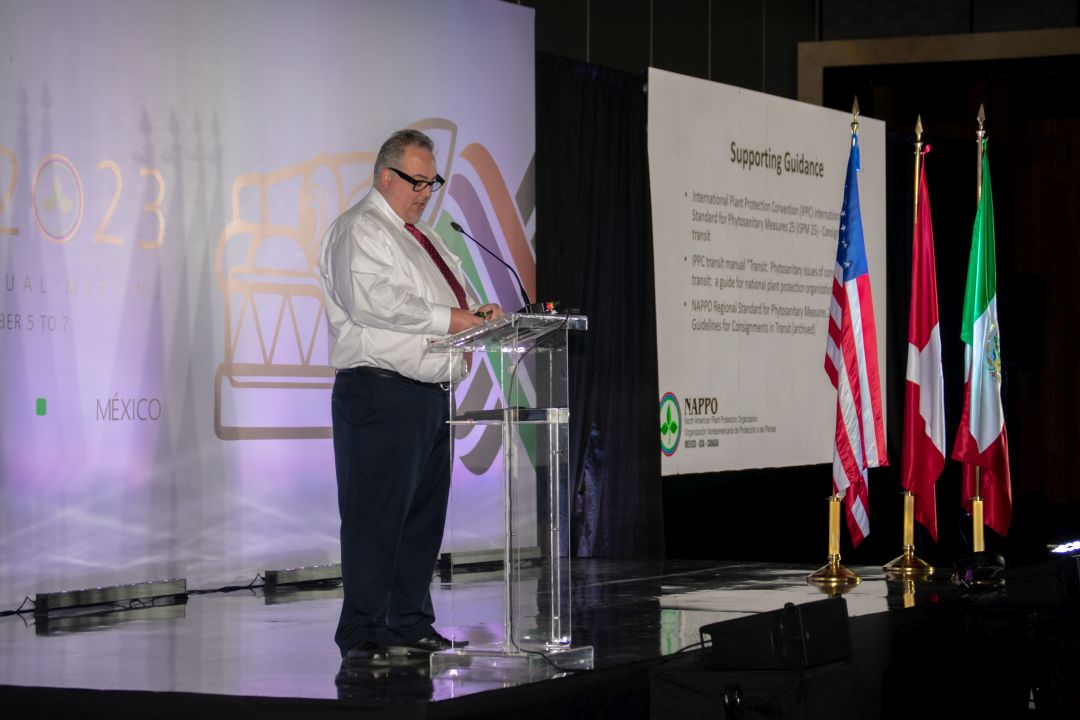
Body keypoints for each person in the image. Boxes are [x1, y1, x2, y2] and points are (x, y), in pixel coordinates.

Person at [319, 128, 503, 661]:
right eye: (417, 181)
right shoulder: (360, 228)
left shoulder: (425, 237)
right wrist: (454, 320)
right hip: (380, 393)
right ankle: (363, 630)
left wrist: (478, 317)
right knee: (375, 518)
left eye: (432, 182)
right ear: (385, 176)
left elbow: (449, 303)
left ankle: (408, 622)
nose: (426, 192)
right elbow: (375, 301)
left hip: (429, 396)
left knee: (422, 520)